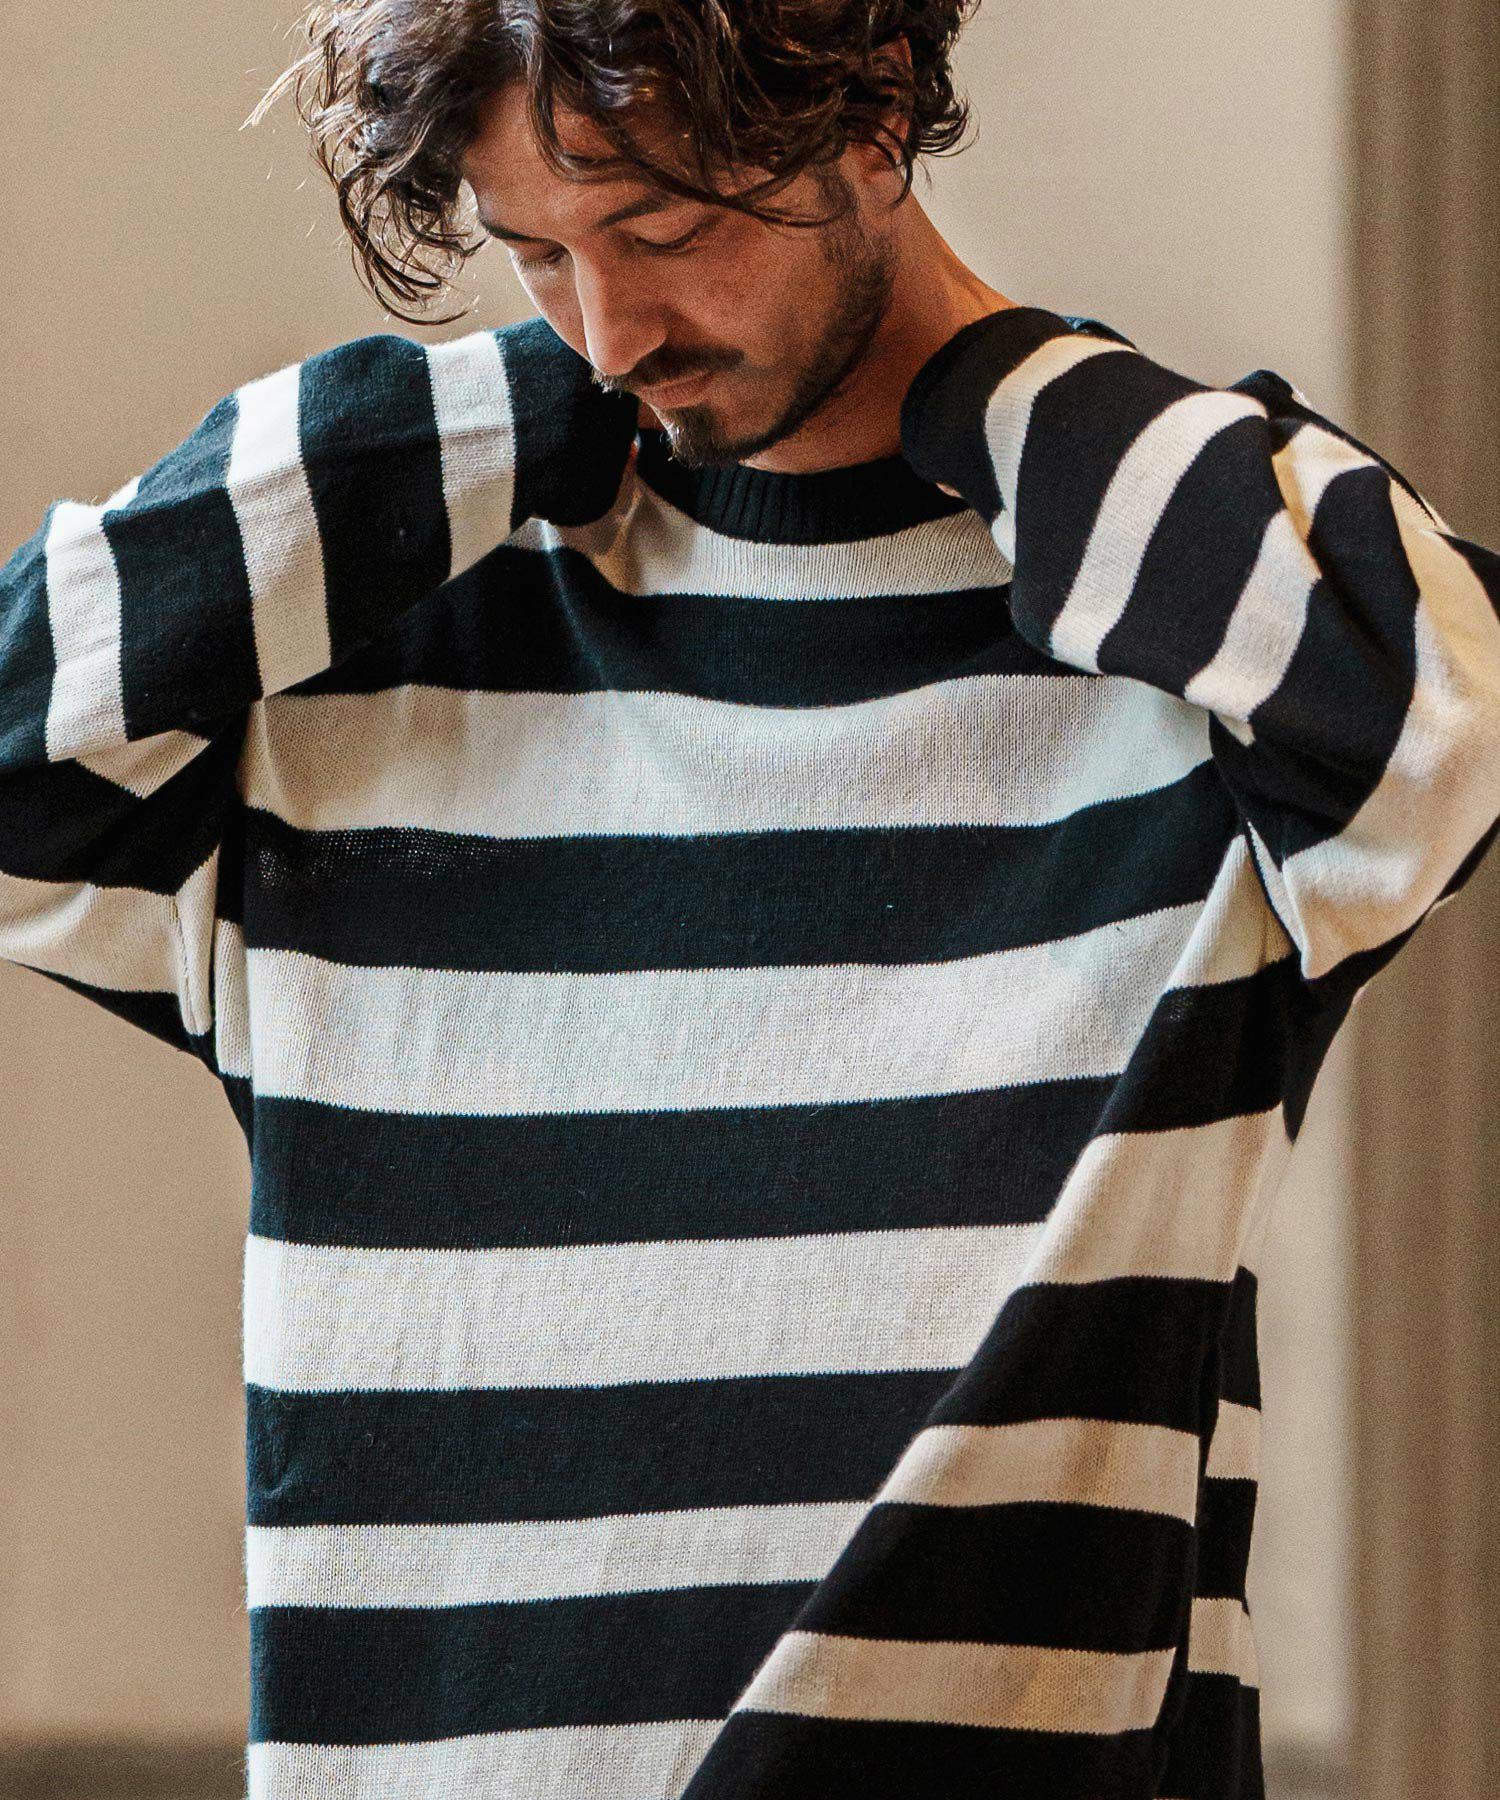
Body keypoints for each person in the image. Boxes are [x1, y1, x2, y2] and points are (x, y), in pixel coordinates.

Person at [3, 4, 1498, 1798]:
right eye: (537, 252)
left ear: (875, 113)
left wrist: (991, 377)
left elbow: (1438, 710)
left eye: (662, 228)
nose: (612, 330)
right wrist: (486, 412)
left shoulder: (1170, 667)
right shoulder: (374, 672)